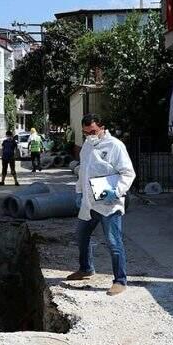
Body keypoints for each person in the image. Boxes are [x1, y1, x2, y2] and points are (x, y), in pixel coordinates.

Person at [67, 114, 135, 296]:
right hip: (89, 202)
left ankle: (120, 280)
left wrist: (118, 191)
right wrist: (79, 193)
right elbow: (83, 171)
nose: (90, 135)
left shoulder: (115, 146)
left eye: (93, 131)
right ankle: (86, 268)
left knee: (114, 242)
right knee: (81, 236)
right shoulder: (87, 147)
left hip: (108, 203)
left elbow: (128, 173)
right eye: (86, 132)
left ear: (102, 127)